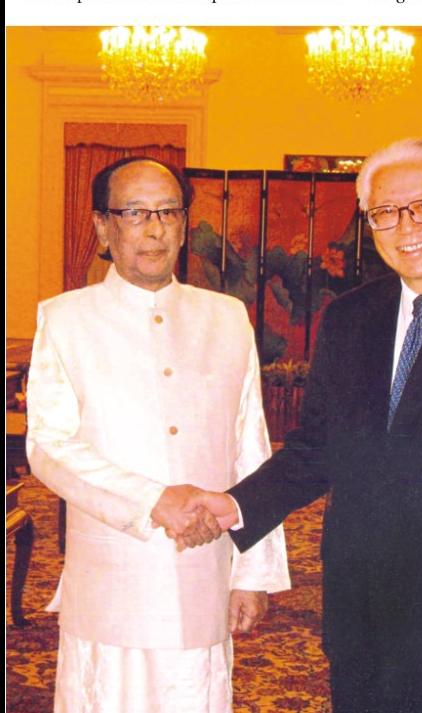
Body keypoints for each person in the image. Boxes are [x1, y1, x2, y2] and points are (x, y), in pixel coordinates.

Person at [174, 138, 422, 713]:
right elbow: (318, 447)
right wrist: (235, 504)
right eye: (385, 212)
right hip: (361, 611)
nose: (405, 227)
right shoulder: (349, 317)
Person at [25, 156, 290, 713]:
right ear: (103, 227)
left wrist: (254, 572)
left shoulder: (226, 317)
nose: (154, 228)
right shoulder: (66, 319)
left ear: (184, 224)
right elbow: (49, 445)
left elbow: (252, 447)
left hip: (204, 569)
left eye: (168, 212)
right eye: (135, 212)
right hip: (111, 573)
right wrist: (153, 501)